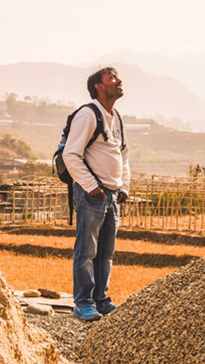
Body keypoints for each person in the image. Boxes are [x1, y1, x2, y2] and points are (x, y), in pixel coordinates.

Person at [63, 67, 130, 321]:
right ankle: (83, 302)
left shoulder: (116, 118)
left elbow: (124, 155)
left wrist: (123, 186)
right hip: (93, 193)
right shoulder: (88, 115)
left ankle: (101, 299)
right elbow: (71, 154)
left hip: (112, 194)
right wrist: (91, 185)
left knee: (106, 252)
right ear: (99, 87)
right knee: (87, 249)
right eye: (112, 78)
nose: (119, 81)